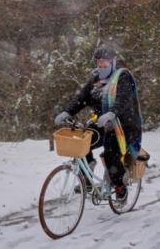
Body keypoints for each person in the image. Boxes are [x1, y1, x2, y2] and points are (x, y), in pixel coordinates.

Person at [54, 45, 142, 203]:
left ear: (113, 62)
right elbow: (82, 98)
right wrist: (68, 112)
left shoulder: (122, 77)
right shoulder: (96, 79)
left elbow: (124, 99)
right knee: (82, 141)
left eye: (105, 64)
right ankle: (87, 180)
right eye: (99, 64)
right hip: (102, 123)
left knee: (111, 154)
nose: (101, 67)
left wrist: (111, 113)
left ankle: (120, 188)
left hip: (124, 125)